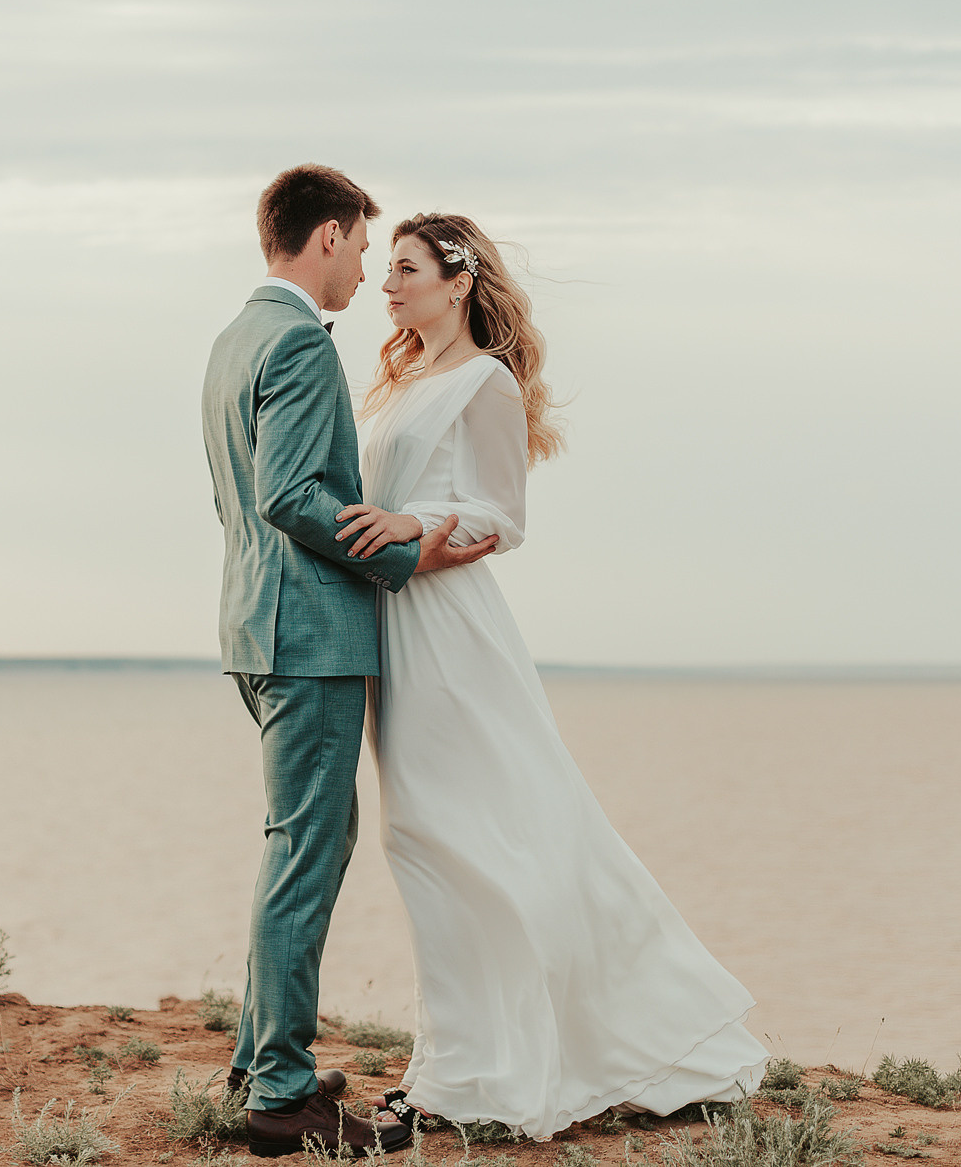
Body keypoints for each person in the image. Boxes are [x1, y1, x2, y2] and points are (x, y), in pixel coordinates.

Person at [331, 213, 770, 1141]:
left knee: (477, 831)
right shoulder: (404, 378)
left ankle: (502, 1064)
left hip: (450, 633)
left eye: (403, 268)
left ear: (456, 281)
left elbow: (502, 517)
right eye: (390, 270)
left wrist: (411, 524)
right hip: (393, 625)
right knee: (422, 836)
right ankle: (461, 1059)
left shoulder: (483, 381)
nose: (388, 284)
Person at [200, 166, 498, 1158]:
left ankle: (258, 1059)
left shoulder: (233, 338)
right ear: (326, 236)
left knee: (294, 838)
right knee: (308, 851)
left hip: (254, 625)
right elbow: (289, 495)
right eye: (364, 246)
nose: (366, 266)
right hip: (309, 637)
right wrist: (406, 553)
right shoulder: (292, 342)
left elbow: (242, 501)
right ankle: (280, 1094)